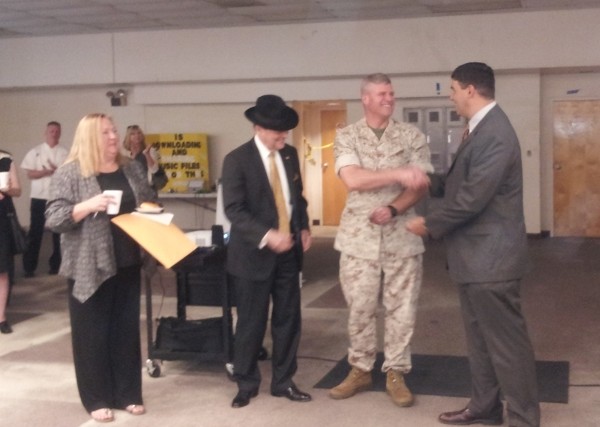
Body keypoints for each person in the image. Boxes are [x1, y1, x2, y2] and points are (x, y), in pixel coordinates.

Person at [406, 62, 540, 427]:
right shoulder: (478, 130)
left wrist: (429, 224)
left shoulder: (495, 133)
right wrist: (427, 179)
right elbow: (461, 184)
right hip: (475, 261)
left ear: (470, 90)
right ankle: (486, 407)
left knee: (507, 347)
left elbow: (472, 199)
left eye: (451, 90)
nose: (449, 97)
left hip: (492, 262)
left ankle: (525, 419)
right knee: (480, 343)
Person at [329, 73, 432, 407]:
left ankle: (396, 372)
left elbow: (419, 184)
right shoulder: (347, 137)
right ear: (366, 99)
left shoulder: (411, 135)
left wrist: (393, 206)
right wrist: (396, 173)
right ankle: (360, 368)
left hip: (401, 235)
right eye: (382, 94)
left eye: (391, 93)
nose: (389, 98)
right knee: (359, 308)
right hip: (359, 240)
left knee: (402, 309)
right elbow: (353, 179)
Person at [45, 113, 157, 423]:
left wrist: (155, 218)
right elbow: (54, 218)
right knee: (91, 335)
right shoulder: (70, 173)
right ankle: (96, 398)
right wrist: (86, 206)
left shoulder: (130, 168)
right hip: (88, 266)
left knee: (125, 331)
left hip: (128, 260)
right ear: (89, 138)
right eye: (105, 132)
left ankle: (128, 393)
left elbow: (147, 201)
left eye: (114, 130)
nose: (112, 136)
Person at [222, 94, 312, 409]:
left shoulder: (289, 155)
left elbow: (296, 198)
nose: (283, 137)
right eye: (278, 132)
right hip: (252, 256)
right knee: (251, 323)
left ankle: (284, 381)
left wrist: (303, 227)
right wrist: (266, 235)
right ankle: (246, 383)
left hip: (288, 254)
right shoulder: (236, 160)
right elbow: (234, 210)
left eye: (286, 132)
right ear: (259, 128)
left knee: (288, 319)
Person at [20, 121, 69, 277]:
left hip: (58, 196)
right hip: (39, 197)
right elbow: (29, 174)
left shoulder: (64, 153)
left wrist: (56, 171)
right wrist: (46, 172)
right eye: (51, 131)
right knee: (35, 232)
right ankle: (29, 267)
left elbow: (68, 174)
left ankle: (56, 266)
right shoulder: (36, 152)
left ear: (60, 133)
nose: (54, 133)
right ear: (46, 133)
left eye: (56, 131)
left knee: (58, 232)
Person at [0, 149, 22, 334]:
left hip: (2, 218)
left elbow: (18, 189)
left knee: (3, 268)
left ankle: (1, 317)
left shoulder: (6, 158)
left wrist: (7, 189)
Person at [122, 124, 168, 191]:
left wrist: (147, 154)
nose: (137, 136)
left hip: (147, 188)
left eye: (139, 133)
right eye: (133, 134)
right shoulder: (125, 153)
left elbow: (154, 170)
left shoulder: (150, 150)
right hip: (130, 188)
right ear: (128, 137)